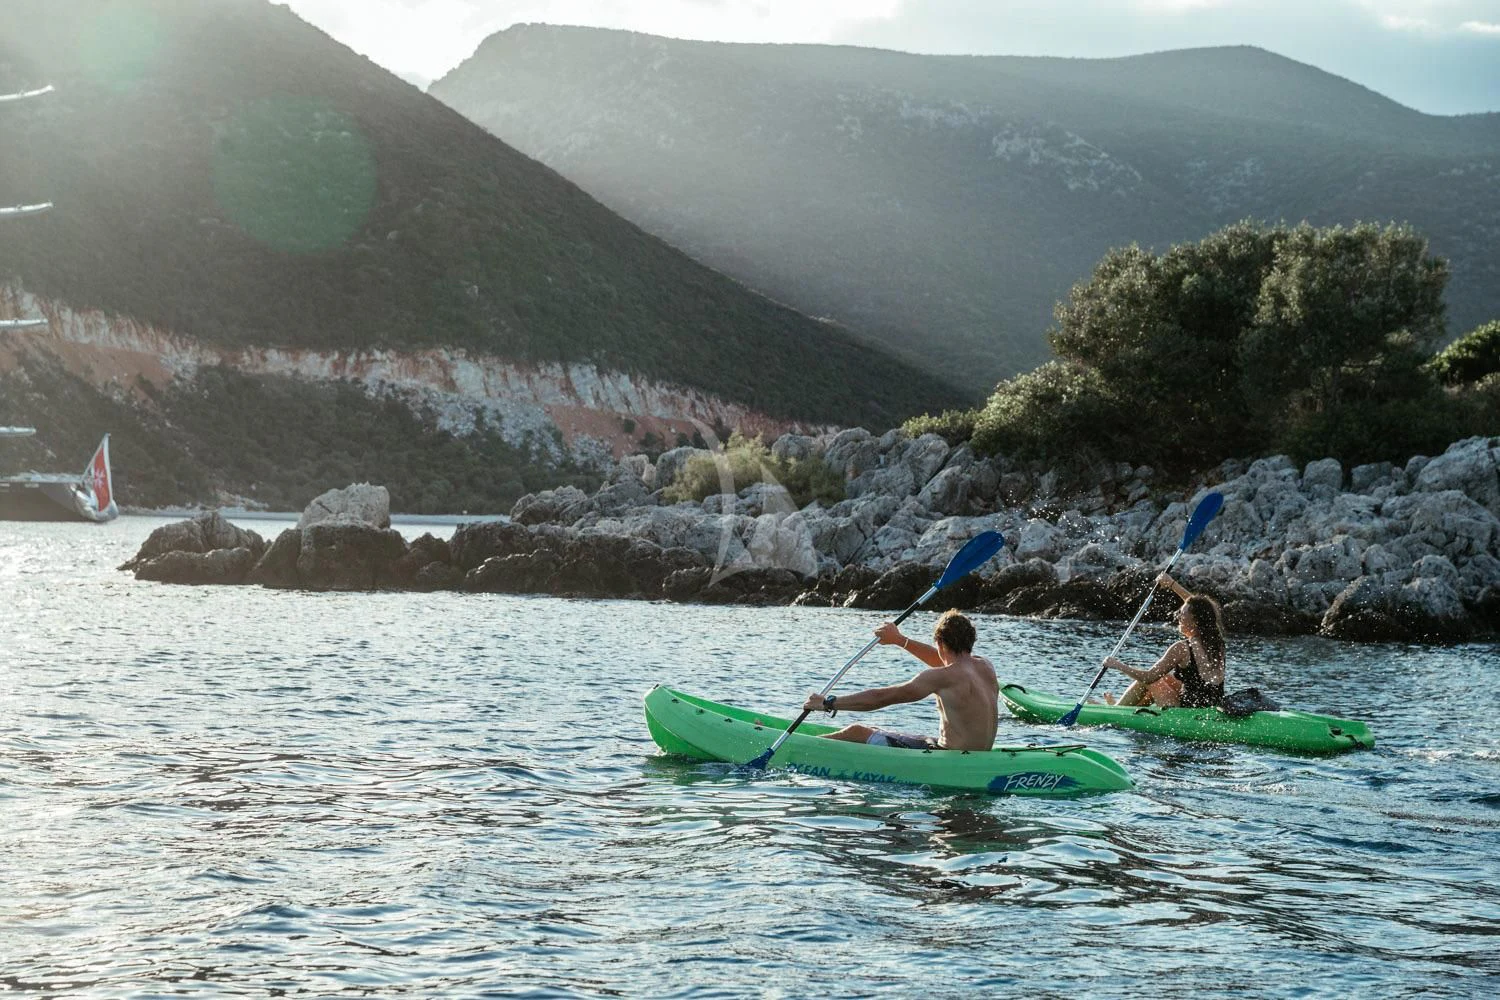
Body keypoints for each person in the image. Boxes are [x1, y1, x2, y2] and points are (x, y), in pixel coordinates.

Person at [802, 609, 998, 751]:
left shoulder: (941, 677)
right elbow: (943, 660)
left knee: (856, 732)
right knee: (876, 731)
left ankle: (802, 749)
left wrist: (828, 703)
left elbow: (882, 697)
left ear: (940, 642)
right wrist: (899, 640)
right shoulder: (985, 667)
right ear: (971, 640)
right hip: (978, 755)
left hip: (950, 757)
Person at [1102, 573, 1226, 708]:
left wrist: (1117, 665)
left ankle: (1117, 711)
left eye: (1183, 615)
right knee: (1164, 678)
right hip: (1211, 706)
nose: (1178, 617)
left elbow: (1148, 677)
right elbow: (1202, 609)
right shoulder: (1217, 641)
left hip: (1187, 712)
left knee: (1150, 681)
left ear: (1195, 622)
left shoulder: (1181, 648)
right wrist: (1172, 584)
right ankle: (1128, 707)